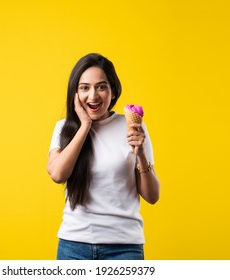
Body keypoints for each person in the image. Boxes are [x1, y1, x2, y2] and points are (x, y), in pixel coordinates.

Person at [47, 53, 160, 260]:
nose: (93, 96)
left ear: (113, 90)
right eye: (84, 87)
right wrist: (85, 126)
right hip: (74, 246)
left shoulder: (132, 127)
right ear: (75, 93)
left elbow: (152, 196)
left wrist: (141, 154)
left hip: (125, 247)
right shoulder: (63, 128)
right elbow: (57, 174)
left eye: (101, 86)